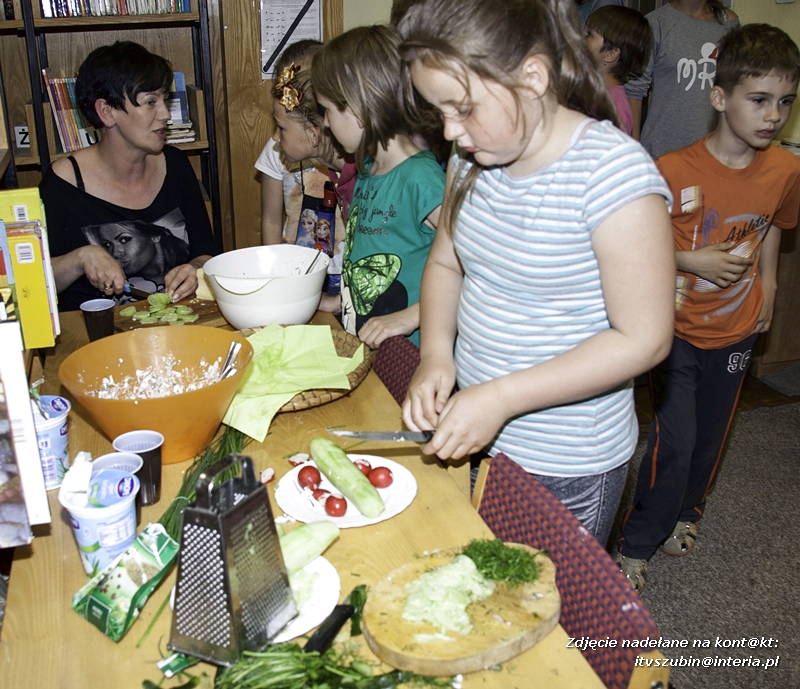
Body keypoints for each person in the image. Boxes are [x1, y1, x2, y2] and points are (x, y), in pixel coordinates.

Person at [398, 0, 675, 545]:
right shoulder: (470, 161)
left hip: (566, 460)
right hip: (476, 430)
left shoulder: (611, 174)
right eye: (440, 112)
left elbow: (644, 340)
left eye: (464, 108)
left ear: (532, 77)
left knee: (552, 618)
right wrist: (435, 353)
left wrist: (501, 397)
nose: (451, 132)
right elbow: (447, 263)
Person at [615, 23, 800, 592]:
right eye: (759, 99)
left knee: (713, 437)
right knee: (675, 442)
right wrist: (691, 263)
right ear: (720, 98)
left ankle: (687, 514)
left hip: (738, 331)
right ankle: (635, 542)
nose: (773, 116)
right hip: (674, 331)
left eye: (786, 103)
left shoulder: (786, 169)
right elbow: (635, 247)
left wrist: (768, 285)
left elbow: (771, 227)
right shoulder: (673, 169)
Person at [41, 41, 215, 311]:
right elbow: (36, 282)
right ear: (107, 112)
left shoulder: (176, 164)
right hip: (93, 334)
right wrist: (80, 258)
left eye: (165, 100)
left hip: (177, 324)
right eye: (150, 102)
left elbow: (206, 254)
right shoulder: (63, 182)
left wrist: (193, 270)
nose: (166, 114)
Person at [311, 24, 445, 348]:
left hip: (410, 356)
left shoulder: (420, 178)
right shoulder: (369, 170)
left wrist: (414, 315)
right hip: (369, 347)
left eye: (327, 109)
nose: (326, 122)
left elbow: (476, 267)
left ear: (358, 106)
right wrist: (334, 304)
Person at [256, 40, 356, 248]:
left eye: (281, 128)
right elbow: (271, 220)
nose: (274, 137)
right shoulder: (336, 167)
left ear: (313, 134)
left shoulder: (356, 172)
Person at [625, 0, 738, 160]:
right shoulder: (656, 23)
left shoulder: (728, 23)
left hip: (713, 154)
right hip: (663, 153)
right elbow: (633, 93)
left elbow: (735, 86)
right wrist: (634, 154)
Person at [585, 5, 651, 136]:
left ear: (610, 54)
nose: (581, 38)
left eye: (589, 35)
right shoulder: (594, 91)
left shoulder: (615, 107)